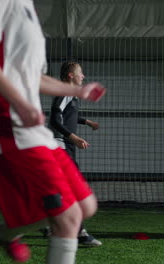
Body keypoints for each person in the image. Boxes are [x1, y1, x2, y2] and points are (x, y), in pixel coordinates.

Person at [0, 0, 106, 263]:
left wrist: (77, 91)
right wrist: (17, 100)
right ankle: (6, 232)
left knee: (85, 206)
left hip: (33, 128)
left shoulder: (32, 15)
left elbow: (32, 78)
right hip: (6, 122)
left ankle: (4, 233)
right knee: (67, 218)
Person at [43, 62, 102, 247]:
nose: (83, 76)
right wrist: (74, 137)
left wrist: (86, 122)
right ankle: (80, 233)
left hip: (63, 147)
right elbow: (54, 119)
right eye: (80, 73)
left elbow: (68, 116)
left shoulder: (69, 95)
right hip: (60, 147)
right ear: (70, 75)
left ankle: (48, 223)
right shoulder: (65, 92)